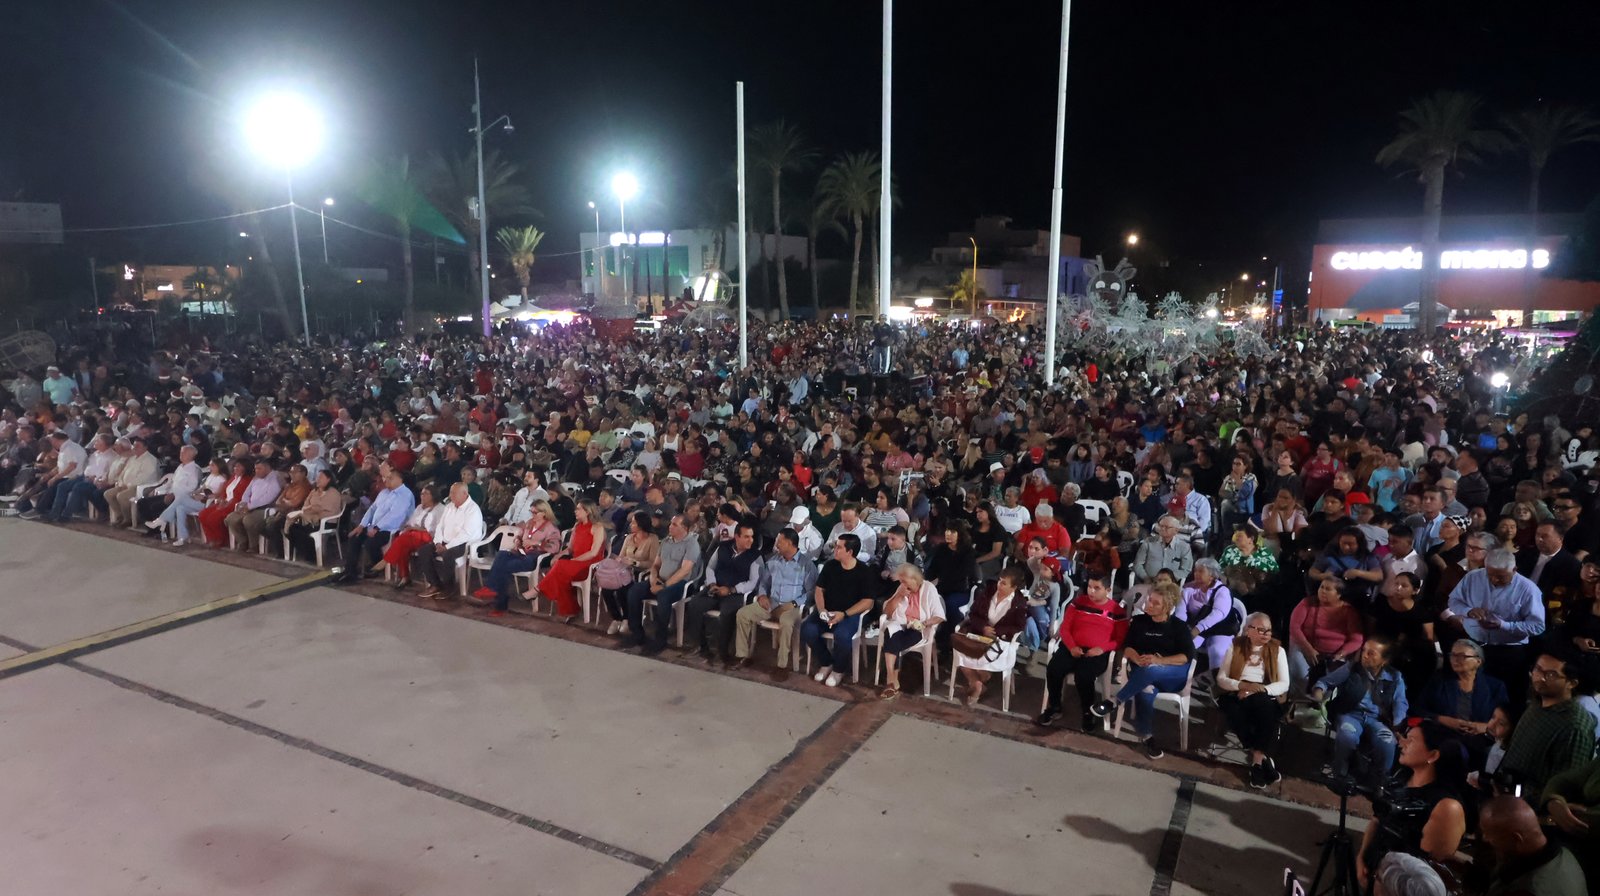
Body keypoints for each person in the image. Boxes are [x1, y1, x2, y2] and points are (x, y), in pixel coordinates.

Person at [1354, 720, 1468, 891]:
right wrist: (1362, 857)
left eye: (1411, 740)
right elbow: (1377, 820)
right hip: (1377, 877)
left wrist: (1383, 882)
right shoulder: (1401, 779)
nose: (1402, 742)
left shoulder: (1446, 807)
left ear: (1433, 755)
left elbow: (1427, 877)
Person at [1089, 582, 1198, 760]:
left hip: (1172, 674)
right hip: (1143, 670)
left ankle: (1115, 700)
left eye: (1156, 603)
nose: (1149, 604)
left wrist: (1160, 661)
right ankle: (1147, 737)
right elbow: (1128, 647)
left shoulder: (1178, 626)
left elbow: (1186, 656)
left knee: (1151, 670)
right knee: (1145, 688)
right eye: (1149, 600)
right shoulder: (1139, 622)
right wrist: (1136, 658)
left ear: (1167, 607)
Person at [1447, 547, 1545, 707]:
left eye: (1500, 577)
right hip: (1474, 646)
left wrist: (1503, 625)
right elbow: (1453, 600)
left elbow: (1537, 626)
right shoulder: (1472, 577)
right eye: (1490, 574)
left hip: (1508, 653)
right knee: (1473, 695)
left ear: (1514, 570)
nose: (1494, 580)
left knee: (1508, 699)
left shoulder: (1528, 589)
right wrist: (1468, 611)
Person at [1313, 637, 1409, 791]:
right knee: (1347, 735)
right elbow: (1326, 681)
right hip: (1350, 714)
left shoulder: (1395, 677)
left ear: (1384, 660)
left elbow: (1400, 702)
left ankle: (1380, 782)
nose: (1364, 655)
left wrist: (1397, 724)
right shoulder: (1352, 668)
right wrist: (1319, 691)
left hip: (1376, 719)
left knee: (1387, 741)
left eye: (1371, 653)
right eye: (1364, 650)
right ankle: (1340, 775)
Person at [1499, 649, 1596, 798]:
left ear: (1571, 683)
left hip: (1530, 804)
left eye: (1551, 675)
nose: (1540, 678)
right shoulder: (1537, 701)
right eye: (1538, 669)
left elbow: (1566, 786)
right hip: (1507, 791)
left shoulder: (1574, 726)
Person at [1037, 575, 1128, 732]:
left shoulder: (1117, 611)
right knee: (1054, 669)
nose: (1091, 591)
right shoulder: (1078, 603)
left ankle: (1088, 712)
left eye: (1097, 588)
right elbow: (1065, 628)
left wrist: (1102, 648)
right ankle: (1055, 706)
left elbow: (1120, 639)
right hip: (1072, 647)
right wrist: (1072, 646)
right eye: (1090, 587)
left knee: (1084, 676)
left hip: (1097, 653)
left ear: (1108, 590)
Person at [1215, 611, 1291, 788]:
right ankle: (1262, 759)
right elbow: (1221, 678)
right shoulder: (1235, 646)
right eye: (1261, 630)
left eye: (1269, 630)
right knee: (1234, 711)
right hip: (1237, 691)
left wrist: (1259, 689)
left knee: (1265, 708)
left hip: (1264, 692)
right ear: (1248, 630)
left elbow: (1284, 683)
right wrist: (1241, 685)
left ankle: (1257, 761)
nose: (1266, 634)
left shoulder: (1277, 650)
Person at [733, 528, 816, 679]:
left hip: (792, 607)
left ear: (790, 543)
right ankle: (742, 655)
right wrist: (762, 595)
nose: (777, 544)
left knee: (786, 622)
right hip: (772, 603)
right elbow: (764, 583)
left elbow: (811, 592)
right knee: (743, 614)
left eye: (780, 541)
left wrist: (794, 603)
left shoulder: (806, 564)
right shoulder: (773, 561)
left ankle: (782, 666)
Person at [1416, 638, 1508, 767]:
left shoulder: (1495, 686)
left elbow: (1505, 720)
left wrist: (1485, 727)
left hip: (1480, 739)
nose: (1455, 660)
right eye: (1453, 655)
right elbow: (1418, 709)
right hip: (1444, 735)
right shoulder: (1439, 681)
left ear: (1478, 661)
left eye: (1462, 656)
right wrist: (1443, 719)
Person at [800, 534, 877, 687]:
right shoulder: (830, 566)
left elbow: (868, 602)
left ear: (850, 552)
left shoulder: (864, 571)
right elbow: (819, 590)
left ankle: (838, 669)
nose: (835, 549)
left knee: (842, 635)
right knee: (807, 629)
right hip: (828, 610)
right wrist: (822, 610)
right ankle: (826, 662)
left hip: (850, 614)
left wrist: (845, 614)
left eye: (839, 547)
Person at [682, 521, 763, 664]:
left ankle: (723, 652)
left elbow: (753, 582)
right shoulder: (723, 547)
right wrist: (712, 583)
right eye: (746, 537)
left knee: (727, 613)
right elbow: (710, 567)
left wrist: (732, 589)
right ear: (737, 537)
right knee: (694, 605)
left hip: (736, 593)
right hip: (715, 587)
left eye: (752, 537)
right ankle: (700, 646)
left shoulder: (755, 556)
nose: (750, 540)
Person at [1479, 794, 1589, 896]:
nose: (1485, 838)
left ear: (1517, 838)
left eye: (1488, 834)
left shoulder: (1525, 890)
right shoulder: (1565, 854)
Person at [624, 514, 703, 656]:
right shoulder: (666, 541)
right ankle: (637, 633)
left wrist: (664, 586)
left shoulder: (691, 544)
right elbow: (655, 565)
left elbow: (685, 570)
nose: (670, 527)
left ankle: (660, 638)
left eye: (674, 525)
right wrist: (653, 580)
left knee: (664, 596)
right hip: (660, 579)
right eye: (671, 523)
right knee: (634, 591)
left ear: (684, 528)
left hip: (680, 584)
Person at [952, 566, 1029, 707]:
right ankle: (977, 684)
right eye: (999, 581)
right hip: (978, 635)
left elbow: (1019, 626)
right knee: (962, 650)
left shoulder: (1019, 603)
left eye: (1004, 583)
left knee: (984, 659)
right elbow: (973, 613)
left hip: (1000, 640)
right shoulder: (988, 592)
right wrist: (983, 627)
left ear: (1013, 587)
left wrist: (996, 631)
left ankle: (978, 682)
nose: (999, 585)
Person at [473, 500, 561, 614]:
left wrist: (537, 543)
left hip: (535, 557)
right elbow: (521, 535)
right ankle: (495, 594)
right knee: (502, 555)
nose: (532, 515)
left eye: (535, 512)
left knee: (504, 567)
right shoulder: (530, 523)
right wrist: (518, 540)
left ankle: (496, 596)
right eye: (531, 511)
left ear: (544, 513)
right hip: (521, 552)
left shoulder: (551, 528)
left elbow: (554, 547)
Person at [877, 563, 947, 699]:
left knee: (893, 642)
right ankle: (892, 679)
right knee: (890, 633)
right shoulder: (902, 589)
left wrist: (923, 623)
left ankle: (891, 680)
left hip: (919, 629)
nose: (902, 584)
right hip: (901, 624)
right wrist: (899, 596)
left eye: (904, 581)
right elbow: (887, 612)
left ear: (915, 579)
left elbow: (939, 616)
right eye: (901, 581)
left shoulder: (928, 588)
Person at [334, 467, 416, 582]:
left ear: (400, 480)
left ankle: (377, 567)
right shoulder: (384, 493)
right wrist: (362, 525)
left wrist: (377, 527)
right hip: (373, 526)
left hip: (391, 529)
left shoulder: (405, 495)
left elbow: (395, 515)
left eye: (391, 478)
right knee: (355, 537)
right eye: (386, 478)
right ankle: (350, 571)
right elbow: (372, 509)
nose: (386, 480)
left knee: (371, 543)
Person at [1288, 577, 1367, 693]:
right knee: (1299, 675)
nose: (1323, 591)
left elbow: (1356, 639)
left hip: (1336, 654)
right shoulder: (1307, 603)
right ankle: (1299, 698)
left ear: (1338, 594)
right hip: (1305, 646)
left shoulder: (1348, 611)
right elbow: (1294, 628)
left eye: (1328, 589)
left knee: (1335, 680)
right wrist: (1308, 649)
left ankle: (1322, 700)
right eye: (1322, 587)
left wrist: (1341, 653)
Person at [536, 500, 607, 621]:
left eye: (578, 509)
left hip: (590, 565)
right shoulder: (577, 527)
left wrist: (574, 560)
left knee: (560, 567)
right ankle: (571, 609)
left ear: (587, 511)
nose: (575, 511)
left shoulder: (598, 528)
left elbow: (593, 552)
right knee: (559, 570)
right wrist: (559, 555)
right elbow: (570, 549)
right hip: (575, 563)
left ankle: (538, 589)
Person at [416, 482, 487, 601]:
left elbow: (466, 534)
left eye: (454, 493)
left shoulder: (473, 510)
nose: (450, 495)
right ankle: (435, 584)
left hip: (464, 544)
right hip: (445, 541)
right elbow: (440, 526)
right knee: (424, 551)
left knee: (448, 554)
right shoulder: (449, 506)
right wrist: (438, 542)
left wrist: (447, 546)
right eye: (450, 492)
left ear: (464, 494)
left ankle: (449, 587)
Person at [601, 512, 660, 633]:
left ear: (641, 524)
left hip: (641, 574)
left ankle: (626, 618)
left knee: (623, 588)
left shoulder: (652, 539)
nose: (630, 524)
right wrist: (620, 560)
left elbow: (652, 562)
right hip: (625, 571)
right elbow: (622, 555)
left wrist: (635, 563)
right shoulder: (629, 538)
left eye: (633, 522)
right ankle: (616, 618)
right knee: (606, 588)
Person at [1176, 558, 1238, 672]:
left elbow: (1218, 614)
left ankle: (1216, 679)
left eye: (1201, 571)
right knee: (1182, 648)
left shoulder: (1222, 591)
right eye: (1195, 571)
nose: (1196, 574)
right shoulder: (1188, 589)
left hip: (1220, 629)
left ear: (1212, 575)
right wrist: (1181, 628)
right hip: (1196, 629)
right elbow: (1180, 612)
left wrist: (1198, 629)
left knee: (1217, 652)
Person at [284, 468, 347, 564]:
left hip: (326, 522)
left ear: (328, 479)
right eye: (317, 477)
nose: (318, 480)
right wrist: (311, 508)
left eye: (321, 477)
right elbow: (305, 506)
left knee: (304, 531)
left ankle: (312, 556)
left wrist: (312, 508)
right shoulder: (314, 492)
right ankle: (309, 554)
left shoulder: (333, 493)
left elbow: (323, 508)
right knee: (293, 529)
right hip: (310, 520)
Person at [1133, 515, 1195, 583]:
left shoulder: (1184, 547)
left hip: (1172, 584)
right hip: (1149, 582)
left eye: (1166, 527)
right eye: (1161, 526)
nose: (1162, 529)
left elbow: (1186, 569)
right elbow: (1138, 564)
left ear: (1176, 530)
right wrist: (1145, 578)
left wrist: (1169, 579)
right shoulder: (1148, 543)